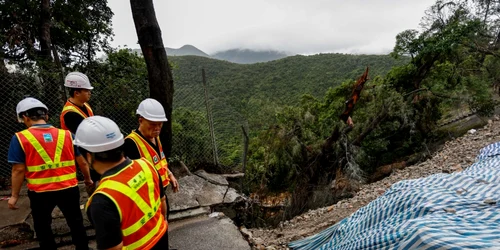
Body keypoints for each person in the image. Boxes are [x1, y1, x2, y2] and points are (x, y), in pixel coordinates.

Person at [7, 97, 92, 250]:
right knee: (76, 222)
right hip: (69, 188)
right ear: (46, 116)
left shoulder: (20, 138)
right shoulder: (67, 135)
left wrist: (14, 196)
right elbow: (82, 162)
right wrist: (87, 180)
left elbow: (18, 170)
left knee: (42, 226)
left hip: (40, 193)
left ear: (25, 117)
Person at [74, 116, 169, 250]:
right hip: (161, 239)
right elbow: (162, 204)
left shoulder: (102, 200)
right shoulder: (146, 165)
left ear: (89, 156)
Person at [123, 98, 179, 217]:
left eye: (160, 124)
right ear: (141, 121)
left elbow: (159, 162)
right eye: (153, 124)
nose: (157, 128)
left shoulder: (155, 136)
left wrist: (170, 174)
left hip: (161, 193)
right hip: (148, 201)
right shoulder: (131, 144)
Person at [60, 71, 100, 189]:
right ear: (76, 93)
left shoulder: (85, 105)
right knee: (93, 182)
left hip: (92, 150)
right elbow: (87, 135)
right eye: (86, 91)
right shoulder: (70, 114)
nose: (89, 93)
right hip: (82, 152)